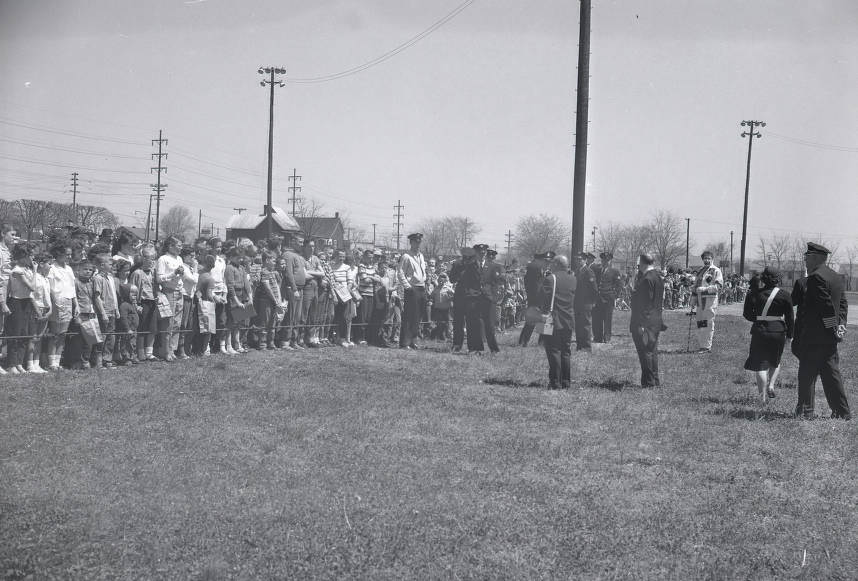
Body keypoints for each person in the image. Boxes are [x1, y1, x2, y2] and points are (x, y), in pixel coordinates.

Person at [793, 242, 850, 420]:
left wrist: (833, 327)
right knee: (831, 374)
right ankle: (842, 412)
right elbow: (842, 304)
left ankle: (805, 411)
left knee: (807, 374)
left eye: (807, 258)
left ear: (816, 258)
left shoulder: (816, 277)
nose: (805, 261)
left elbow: (825, 307)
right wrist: (840, 325)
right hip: (829, 337)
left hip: (815, 335)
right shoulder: (835, 276)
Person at [742, 267, 794, 405]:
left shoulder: (755, 294)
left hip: (760, 331)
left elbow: (747, 314)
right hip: (778, 331)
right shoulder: (785, 295)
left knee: (760, 365)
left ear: (763, 278)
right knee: (775, 360)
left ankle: (762, 397)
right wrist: (790, 335)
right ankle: (771, 385)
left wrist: (759, 318)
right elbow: (790, 317)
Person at [540, 255, 576, 389]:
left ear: (556, 264)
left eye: (552, 263)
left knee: (553, 350)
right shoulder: (573, 279)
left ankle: (555, 382)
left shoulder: (550, 279)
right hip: (568, 320)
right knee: (566, 352)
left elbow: (543, 299)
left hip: (553, 320)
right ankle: (566, 381)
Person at [629, 253, 665, 387]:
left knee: (645, 353)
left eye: (639, 264)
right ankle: (654, 380)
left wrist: (642, 324)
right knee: (652, 351)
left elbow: (645, 304)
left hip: (645, 321)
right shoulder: (657, 276)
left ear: (643, 263)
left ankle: (649, 383)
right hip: (655, 320)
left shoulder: (646, 279)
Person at [46, 242, 77, 371]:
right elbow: (50, 288)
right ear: (59, 254)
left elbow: (72, 288)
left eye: (70, 254)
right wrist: (55, 303)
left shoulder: (69, 269)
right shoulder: (52, 268)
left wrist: (76, 305)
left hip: (68, 301)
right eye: (67, 254)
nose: (69, 257)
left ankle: (57, 361)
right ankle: (51, 362)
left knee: (63, 334)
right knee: (55, 334)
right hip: (57, 302)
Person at [155, 236, 185, 362]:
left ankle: (172, 350)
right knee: (169, 323)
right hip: (168, 292)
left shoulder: (179, 258)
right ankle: (165, 351)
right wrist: (174, 273)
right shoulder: (163, 259)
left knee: (177, 323)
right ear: (170, 246)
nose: (180, 248)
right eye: (178, 245)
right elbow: (159, 279)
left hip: (179, 292)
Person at [397, 233, 427, 350]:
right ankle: (405, 342)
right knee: (409, 316)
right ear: (411, 243)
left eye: (419, 242)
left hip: (421, 287)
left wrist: (424, 282)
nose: (418, 244)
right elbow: (400, 272)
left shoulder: (421, 256)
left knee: (418, 316)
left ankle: (413, 340)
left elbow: (422, 271)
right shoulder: (406, 256)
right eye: (415, 242)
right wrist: (407, 286)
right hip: (412, 288)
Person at [690, 250, 724, 353]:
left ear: (712, 259)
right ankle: (702, 345)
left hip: (710, 300)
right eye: (705, 258)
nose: (707, 260)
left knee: (708, 322)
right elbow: (696, 286)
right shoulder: (700, 271)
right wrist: (693, 299)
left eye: (709, 258)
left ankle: (706, 346)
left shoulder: (716, 270)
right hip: (700, 300)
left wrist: (705, 289)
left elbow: (719, 286)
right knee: (700, 322)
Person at [518, 251, 552, 347]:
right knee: (533, 321)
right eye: (546, 261)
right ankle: (524, 341)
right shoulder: (535, 268)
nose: (547, 264)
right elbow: (535, 286)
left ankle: (542, 342)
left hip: (540, 298)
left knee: (544, 320)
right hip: (537, 299)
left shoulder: (540, 269)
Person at [591, 252, 622, 343]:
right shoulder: (597, 270)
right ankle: (598, 337)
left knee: (607, 319)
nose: (605, 262)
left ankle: (607, 337)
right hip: (598, 298)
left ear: (610, 261)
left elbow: (619, 285)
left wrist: (614, 295)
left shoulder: (614, 271)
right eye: (603, 260)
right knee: (597, 318)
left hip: (608, 299)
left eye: (607, 260)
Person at [572, 252, 598, 351]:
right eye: (577, 259)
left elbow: (594, 288)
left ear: (585, 260)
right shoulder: (577, 271)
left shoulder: (588, 271)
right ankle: (579, 345)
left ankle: (586, 346)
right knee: (578, 324)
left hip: (586, 302)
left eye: (580, 259)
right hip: (577, 302)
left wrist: (593, 301)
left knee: (586, 324)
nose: (578, 261)